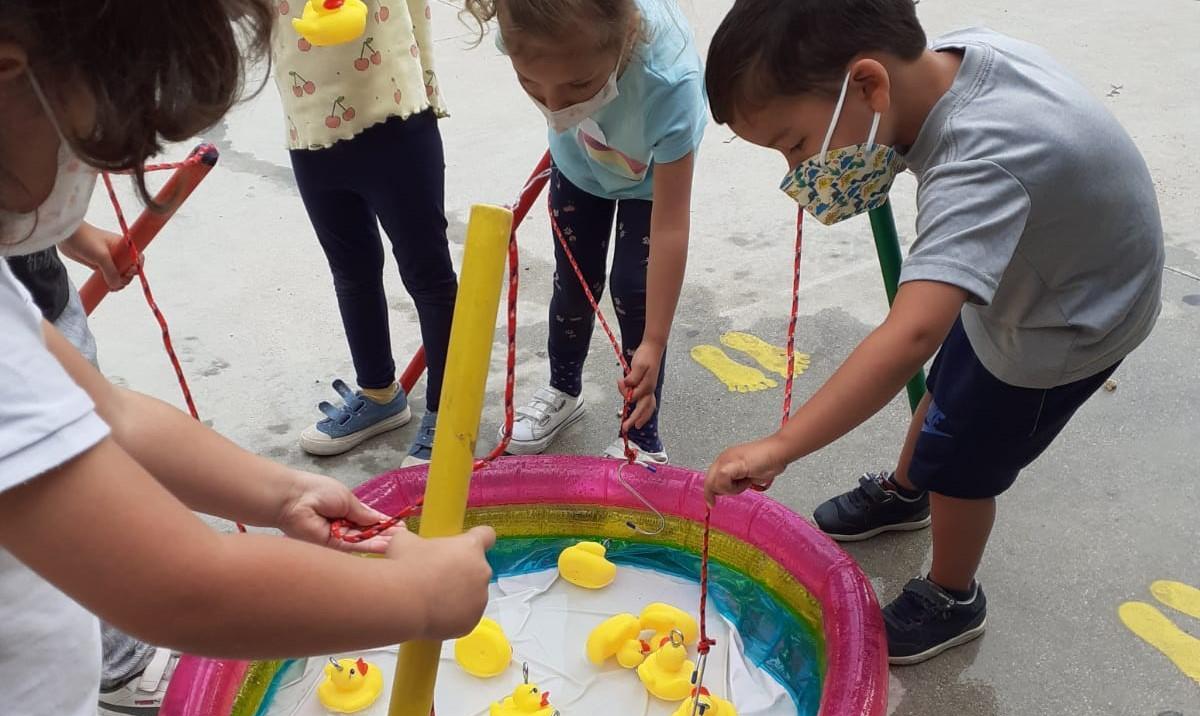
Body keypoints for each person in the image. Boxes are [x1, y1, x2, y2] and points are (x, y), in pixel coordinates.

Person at [0, 4, 493, 716]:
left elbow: (111, 414)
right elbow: (183, 587)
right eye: (98, 138)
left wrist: (283, 493)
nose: (95, 171)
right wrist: (420, 597)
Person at [702, 0, 1162, 664]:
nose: (795, 171)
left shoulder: (981, 160)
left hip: (1068, 317)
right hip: (1036, 269)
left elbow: (912, 335)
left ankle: (953, 594)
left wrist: (782, 445)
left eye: (794, 144)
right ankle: (907, 489)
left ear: (867, 85)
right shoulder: (950, 60)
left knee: (966, 463)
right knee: (947, 389)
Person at [465, 0, 707, 464]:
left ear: (624, 41)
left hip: (652, 180)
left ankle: (642, 435)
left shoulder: (669, 84)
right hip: (579, 165)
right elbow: (557, 94)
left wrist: (655, 339)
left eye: (578, 85)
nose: (556, 109)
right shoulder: (525, 24)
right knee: (573, 283)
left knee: (635, 291)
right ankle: (563, 387)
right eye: (531, 84)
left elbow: (672, 225)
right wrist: (566, 92)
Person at [8, 226, 178, 716]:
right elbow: (205, 582)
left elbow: (115, 419)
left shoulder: (15, 306)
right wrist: (410, 597)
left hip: (40, 295)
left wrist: (66, 231)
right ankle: (124, 673)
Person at [273, 0, 458, 464]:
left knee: (427, 275)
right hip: (309, 124)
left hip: (392, 112)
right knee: (351, 270)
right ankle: (379, 394)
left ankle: (450, 412)